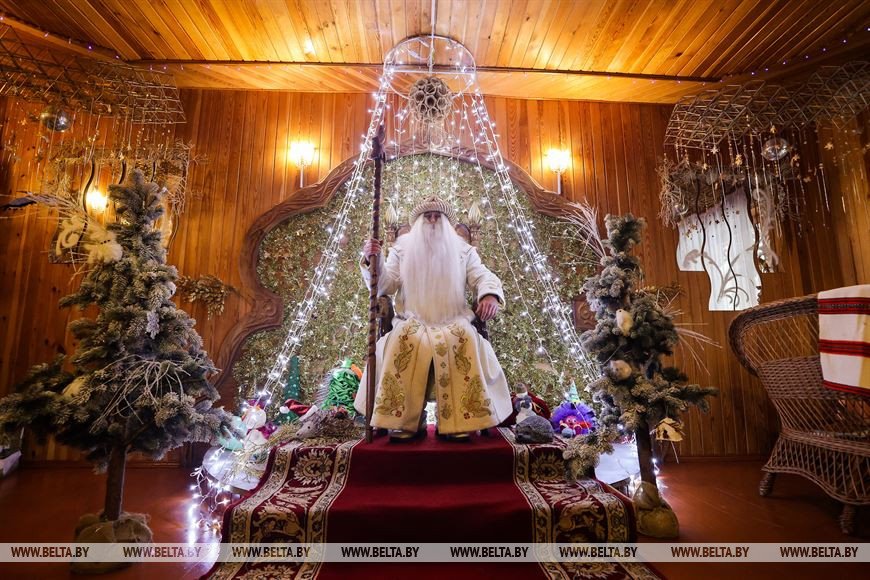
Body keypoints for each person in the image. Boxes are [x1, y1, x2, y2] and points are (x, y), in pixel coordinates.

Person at [354, 196, 512, 440]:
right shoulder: (401, 250)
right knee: (403, 340)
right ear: (418, 222)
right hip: (413, 320)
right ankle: (404, 423)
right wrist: (374, 260)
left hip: (453, 319)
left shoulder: (464, 251)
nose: (432, 220)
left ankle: (460, 423)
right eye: (427, 216)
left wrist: (489, 295)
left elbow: (482, 276)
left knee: (463, 339)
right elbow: (385, 284)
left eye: (438, 216)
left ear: (447, 222)